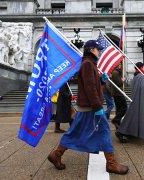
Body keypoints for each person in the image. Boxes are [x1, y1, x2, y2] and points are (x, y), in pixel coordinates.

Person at [47, 40, 129, 175]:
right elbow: (89, 88)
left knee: (75, 132)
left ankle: (56, 154)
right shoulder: (87, 64)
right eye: (98, 49)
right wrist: (97, 107)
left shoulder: (89, 64)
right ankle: (111, 164)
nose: (100, 51)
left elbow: (93, 85)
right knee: (104, 131)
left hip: (88, 107)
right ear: (91, 50)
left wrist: (101, 80)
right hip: (91, 107)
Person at [110, 63, 127, 129]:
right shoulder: (115, 73)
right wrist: (123, 80)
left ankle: (118, 123)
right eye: (119, 64)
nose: (120, 65)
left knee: (119, 109)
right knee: (124, 107)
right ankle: (116, 120)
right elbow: (119, 83)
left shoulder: (117, 72)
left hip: (117, 93)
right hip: (118, 93)